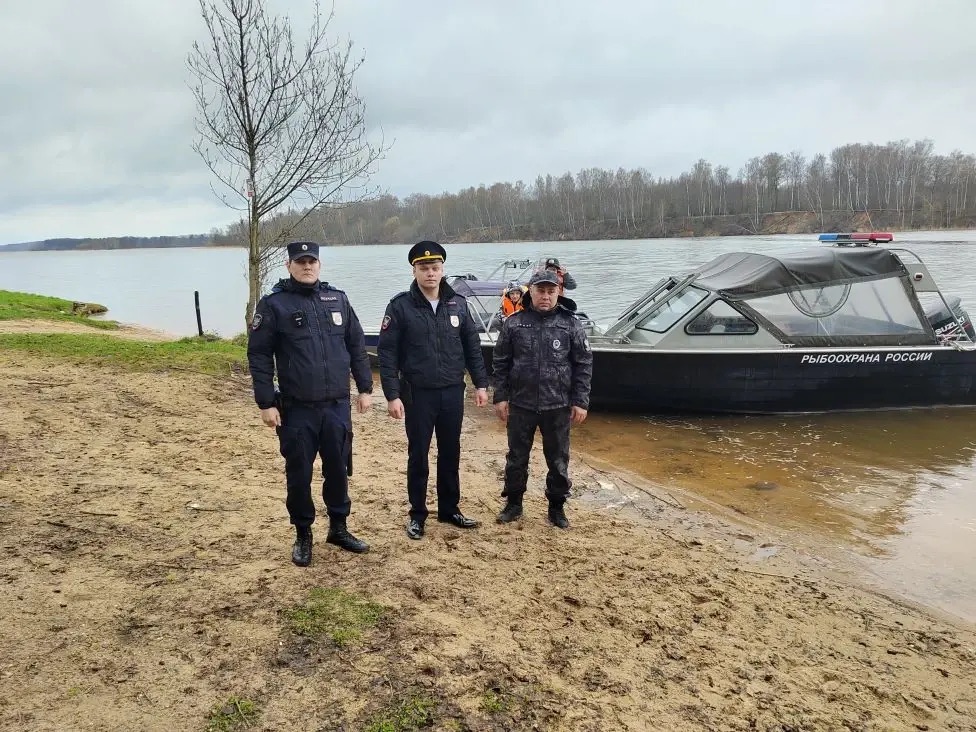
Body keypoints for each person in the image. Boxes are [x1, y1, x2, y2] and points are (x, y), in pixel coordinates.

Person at [247, 240, 374, 567]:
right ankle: (303, 533)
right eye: (300, 262)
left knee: (337, 468)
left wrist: (364, 388)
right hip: (296, 408)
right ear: (289, 266)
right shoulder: (275, 304)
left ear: (319, 265)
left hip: (335, 406)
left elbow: (357, 346)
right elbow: (259, 355)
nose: (307, 266)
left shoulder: (338, 299)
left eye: (312, 261)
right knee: (299, 474)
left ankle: (339, 528)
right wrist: (265, 401)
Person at [377, 240, 490, 540]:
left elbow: (473, 348)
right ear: (414, 270)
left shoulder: (459, 304)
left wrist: (481, 384)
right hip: (417, 393)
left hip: (453, 391)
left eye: (435, 268)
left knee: (451, 451)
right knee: (419, 454)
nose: (430, 273)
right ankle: (417, 514)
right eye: (424, 268)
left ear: (443, 270)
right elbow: (387, 354)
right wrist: (392, 395)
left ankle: (449, 509)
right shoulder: (400, 306)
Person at [491, 268, 593, 528]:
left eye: (551, 291)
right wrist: (501, 398)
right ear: (531, 292)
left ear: (558, 292)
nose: (545, 296)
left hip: (557, 405)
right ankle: (513, 504)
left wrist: (580, 401)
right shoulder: (514, 323)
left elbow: (583, 363)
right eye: (540, 291)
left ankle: (556, 508)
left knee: (559, 461)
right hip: (521, 404)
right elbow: (500, 363)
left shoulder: (571, 324)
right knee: (516, 458)